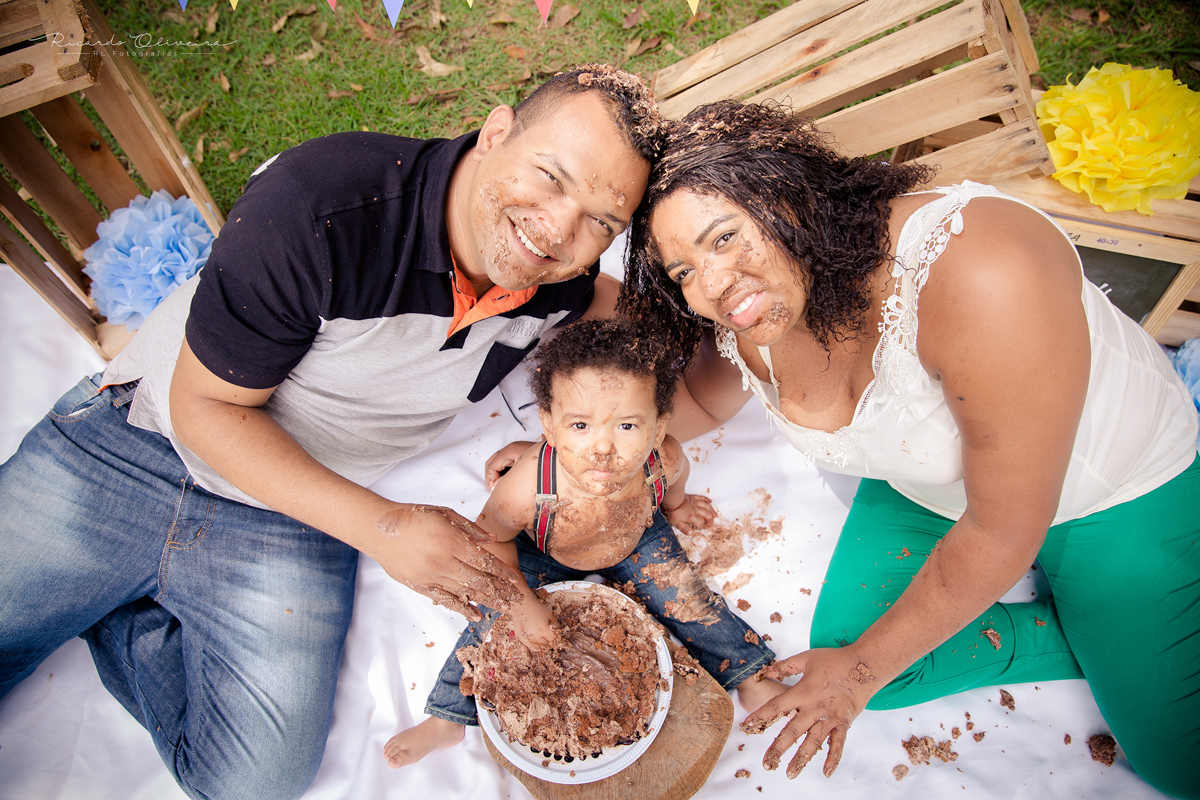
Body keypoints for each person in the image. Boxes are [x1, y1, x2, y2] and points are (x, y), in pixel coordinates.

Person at [0, 65, 663, 800]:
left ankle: (117, 610)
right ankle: (106, 579)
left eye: (602, 221)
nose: (558, 229)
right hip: (137, 442)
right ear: (498, 129)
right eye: (548, 176)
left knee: (254, 785)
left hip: (299, 499)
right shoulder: (317, 208)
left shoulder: (559, 282)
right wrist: (383, 529)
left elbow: (641, 323)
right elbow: (204, 410)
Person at [619, 100, 1200, 799]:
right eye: (683, 271)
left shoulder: (980, 267)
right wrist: (582, 442)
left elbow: (1002, 527)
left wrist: (861, 676)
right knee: (840, 652)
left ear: (790, 199)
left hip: (1109, 489)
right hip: (933, 480)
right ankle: (1091, 638)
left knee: (1181, 766)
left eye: (722, 238)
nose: (713, 287)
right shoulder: (757, 298)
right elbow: (705, 400)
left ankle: (1115, 627)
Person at [383, 317, 783, 768]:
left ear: (656, 427)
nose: (603, 448)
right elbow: (490, 537)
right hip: (546, 550)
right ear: (549, 427)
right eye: (580, 426)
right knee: (488, 616)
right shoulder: (531, 483)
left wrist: (677, 507)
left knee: (688, 597)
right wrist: (519, 604)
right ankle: (449, 717)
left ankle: (747, 670)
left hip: (636, 538)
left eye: (627, 426)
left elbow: (678, 477)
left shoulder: (662, 457)